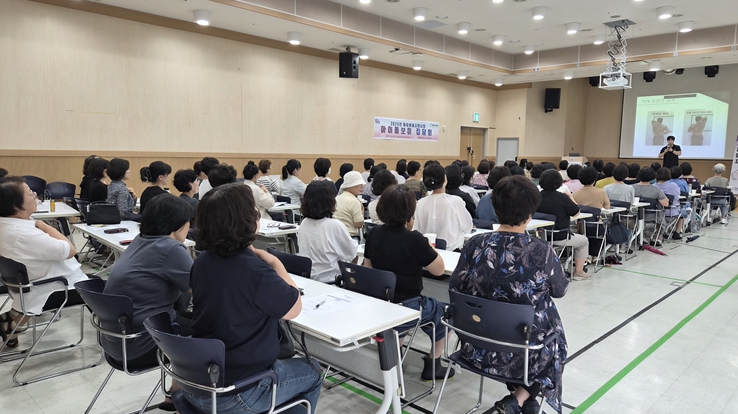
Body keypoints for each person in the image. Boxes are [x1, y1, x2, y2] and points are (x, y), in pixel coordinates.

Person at [187, 183, 321, 413]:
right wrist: (276, 263)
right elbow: (294, 309)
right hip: (239, 391)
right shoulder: (255, 271)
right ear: (249, 220)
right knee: (314, 371)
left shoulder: (201, 262)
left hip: (198, 382)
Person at [450, 175, 568, 414]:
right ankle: (519, 399)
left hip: (478, 343)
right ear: (530, 213)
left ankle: (521, 400)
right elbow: (560, 290)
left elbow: (456, 285)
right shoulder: (541, 251)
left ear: (496, 209)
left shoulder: (475, 244)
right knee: (553, 340)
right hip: (528, 349)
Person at [103, 194, 193, 411]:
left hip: (117, 342)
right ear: (180, 225)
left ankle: (175, 396)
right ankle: (188, 401)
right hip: (142, 344)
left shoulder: (140, 240)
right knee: (214, 333)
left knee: (189, 319)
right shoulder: (171, 248)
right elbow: (203, 290)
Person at [363, 184, 452, 380]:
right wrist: (429, 247)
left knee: (427, 308)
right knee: (447, 313)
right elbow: (438, 270)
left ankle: (396, 354)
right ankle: (433, 364)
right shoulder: (415, 239)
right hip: (409, 307)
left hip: (383, 305)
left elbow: (368, 269)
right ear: (410, 213)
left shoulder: (374, 234)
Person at [0, 177, 89, 348]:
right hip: (56, 287)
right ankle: (114, 338)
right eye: (30, 193)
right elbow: (71, 250)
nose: (35, 195)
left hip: (25, 285)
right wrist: (47, 227)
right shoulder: (24, 233)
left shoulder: (10, 223)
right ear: (17, 206)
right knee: (102, 287)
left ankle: (12, 323)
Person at [298, 181, 357, 283]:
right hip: (331, 281)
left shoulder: (304, 223)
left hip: (308, 279)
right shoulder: (334, 225)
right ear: (330, 201)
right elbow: (351, 254)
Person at [537, 170, 590, 280]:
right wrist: (570, 196)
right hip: (559, 236)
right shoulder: (562, 197)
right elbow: (576, 213)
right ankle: (579, 272)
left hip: (540, 236)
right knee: (583, 241)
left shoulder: (536, 197)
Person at [413, 164, 473, 251]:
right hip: (452, 252)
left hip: (426, 252)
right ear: (445, 179)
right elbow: (467, 227)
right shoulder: (456, 201)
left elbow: (416, 231)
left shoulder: (420, 204)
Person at [655, 167, 684, 239]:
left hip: (656, 212)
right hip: (671, 211)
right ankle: (677, 232)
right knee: (681, 215)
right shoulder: (673, 185)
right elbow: (677, 197)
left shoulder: (653, 186)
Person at [334, 171, 365, 237]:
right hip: (350, 236)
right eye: (359, 184)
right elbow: (358, 224)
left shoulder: (337, 198)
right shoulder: (354, 201)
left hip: (336, 236)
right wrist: (362, 210)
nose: (362, 186)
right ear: (350, 186)